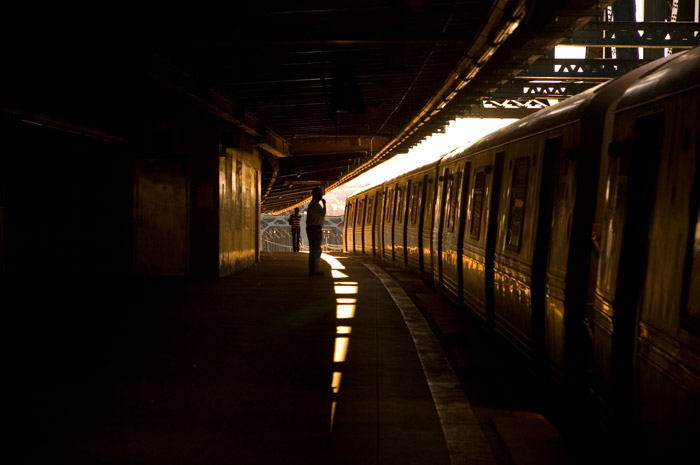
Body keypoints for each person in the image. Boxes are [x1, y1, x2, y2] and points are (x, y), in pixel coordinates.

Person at [306, 186, 326, 276]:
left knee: (315, 249)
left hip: (313, 228)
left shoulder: (313, 204)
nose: (321, 195)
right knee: (315, 250)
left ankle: (314, 269)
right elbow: (323, 213)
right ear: (315, 194)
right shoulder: (314, 204)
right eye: (320, 193)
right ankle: (314, 270)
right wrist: (324, 204)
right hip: (314, 228)